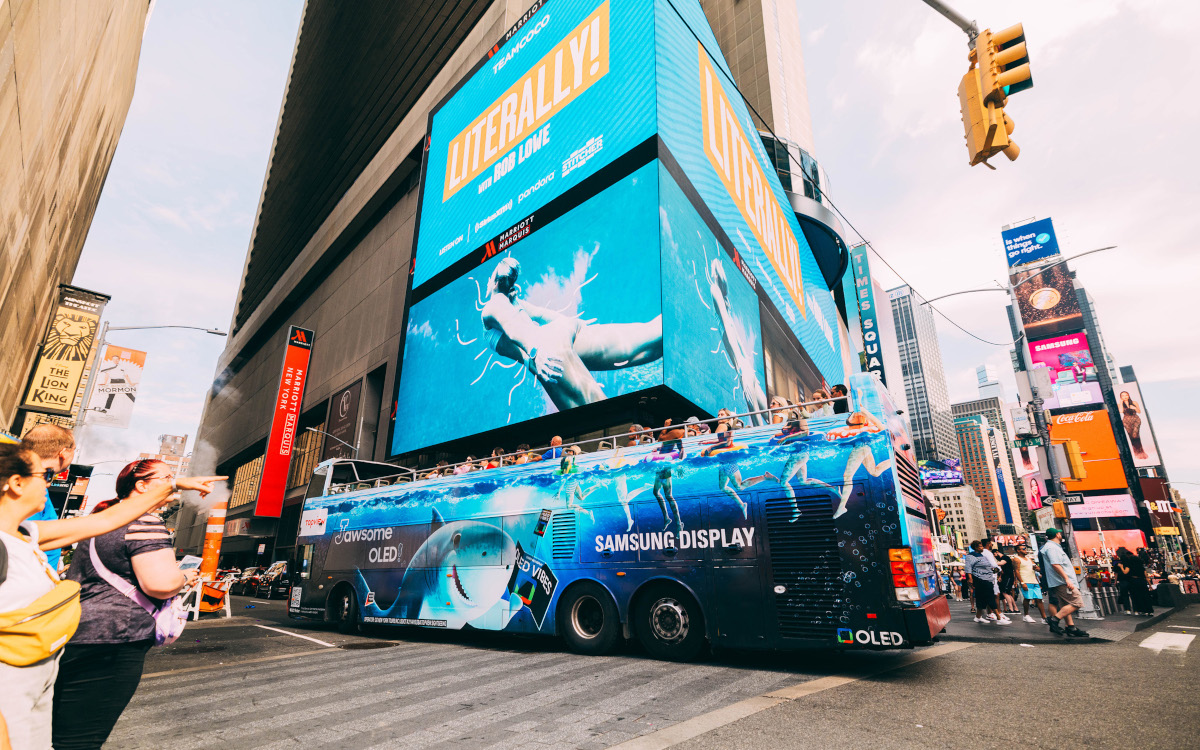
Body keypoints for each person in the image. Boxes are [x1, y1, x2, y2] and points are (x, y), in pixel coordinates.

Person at [0, 445, 221, 750]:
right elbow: (160, 581)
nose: (50, 483)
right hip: (12, 677)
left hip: (48, 662)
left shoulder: (25, 533)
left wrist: (172, 485)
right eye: (45, 475)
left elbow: (106, 521)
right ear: (16, 483)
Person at [480, 257, 663, 410]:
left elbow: (513, 328)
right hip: (562, 332)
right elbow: (543, 315)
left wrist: (535, 351)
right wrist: (574, 324)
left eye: (488, 278)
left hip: (546, 347)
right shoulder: (515, 303)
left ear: (495, 282)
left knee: (598, 415)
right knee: (649, 341)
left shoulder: (494, 303)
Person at [708, 259, 769, 423]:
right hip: (748, 369)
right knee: (768, 417)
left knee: (758, 422)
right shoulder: (725, 302)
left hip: (745, 371)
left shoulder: (715, 291)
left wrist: (742, 369)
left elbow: (727, 327)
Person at [19, 425, 77, 572]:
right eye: (74, 450)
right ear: (63, 453)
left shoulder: (24, 478)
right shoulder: (32, 488)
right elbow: (24, 538)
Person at [1041, 528, 1088, 638]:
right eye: (1059, 533)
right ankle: (1054, 620)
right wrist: (1067, 579)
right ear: (1057, 535)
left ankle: (1070, 627)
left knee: (1066, 604)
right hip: (1062, 581)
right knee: (1077, 602)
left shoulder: (1052, 547)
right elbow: (1055, 564)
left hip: (1059, 581)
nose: (1061, 534)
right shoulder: (1052, 547)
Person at [965, 541, 1005, 625]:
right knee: (990, 596)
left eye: (982, 546)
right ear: (975, 547)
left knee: (981, 598)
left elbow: (988, 566)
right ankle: (998, 617)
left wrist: (995, 570)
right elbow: (968, 568)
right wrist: (970, 579)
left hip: (988, 578)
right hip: (980, 579)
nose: (982, 548)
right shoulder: (971, 556)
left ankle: (978, 617)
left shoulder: (982, 555)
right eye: (980, 547)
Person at [1013, 542, 1048, 623]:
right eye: (1024, 549)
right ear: (1018, 550)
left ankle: (1044, 618)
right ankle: (1026, 615)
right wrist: (1022, 582)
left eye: (1026, 549)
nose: (1026, 550)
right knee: (1028, 598)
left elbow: (1037, 568)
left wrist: (1037, 568)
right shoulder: (1016, 559)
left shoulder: (1029, 559)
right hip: (1026, 581)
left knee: (1039, 599)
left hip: (1034, 581)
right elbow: (1016, 571)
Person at [978, 540, 1011, 623]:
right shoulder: (987, 552)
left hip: (991, 575)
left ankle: (993, 613)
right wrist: (999, 566)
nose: (992, 545)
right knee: (994, 595)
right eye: (991, 544)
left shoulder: (984, 552)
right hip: (990, 576)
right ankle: (996, 613)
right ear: (988, 544)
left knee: (993, 594)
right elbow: (993, 564)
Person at [1116, 548, 1154, 616]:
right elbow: (1146, 576)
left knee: (1137, 596)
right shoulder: (1141, 567)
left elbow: (1125, 572)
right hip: (1142, 581)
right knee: (1146, 596)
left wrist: (1121, 567)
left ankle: (1141, 610)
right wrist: (1150, 585)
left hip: (1134, 581)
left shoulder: (1130, 566)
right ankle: (1149, 610)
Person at [1118, 391, 1147, 459]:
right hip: (1126, 421)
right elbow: (1121, 411)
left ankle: (1141, 452)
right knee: (1131, 437)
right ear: (1121, 397)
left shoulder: (1134, 402)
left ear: (1128, 396)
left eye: (1126, 395)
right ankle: (1137, 453)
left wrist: (1134, 408)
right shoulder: (1120, 404)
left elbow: (1139, 411)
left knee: (1135, 435)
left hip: (1135, 420)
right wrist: (1121, 402)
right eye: (1123, 396)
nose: (1125, 397)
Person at [993, 547, 1018, 613]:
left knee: (1005, 592)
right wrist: (1001, 576)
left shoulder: (1005, 558)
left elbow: (1001, 563)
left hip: (1008, 577)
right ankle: (1015, 608)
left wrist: (990, 563)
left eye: (994, 555)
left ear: (997, 552)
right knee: (1007, 593)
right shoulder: (1002, 558)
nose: (995, 557)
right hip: (1007, 577)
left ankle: (1011, 609)